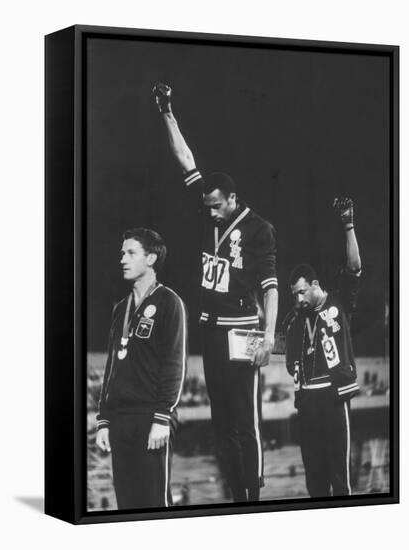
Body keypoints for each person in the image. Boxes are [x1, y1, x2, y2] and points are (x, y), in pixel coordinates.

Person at [153, 83, 278, 502]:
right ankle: (233, 494)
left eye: (216, 206)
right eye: (206, 205)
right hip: (210, 327)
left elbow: (271, 288)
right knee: (221, 418)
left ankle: (253, 495)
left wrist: (271, 337)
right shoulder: (208, 209)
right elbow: (185, 159)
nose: (209, 212)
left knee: (247, 419)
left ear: (233, 200)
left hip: (245, 330)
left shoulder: (260, 230)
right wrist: (166, 112)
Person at [96, 228, 187, 509]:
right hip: (120, 421)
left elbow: (175, 365)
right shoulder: (120, 308)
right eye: (122, 253)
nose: (122, 258)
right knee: (126, 504)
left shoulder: (169, 302)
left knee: (154, 504)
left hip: (152, 418)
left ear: (151, 258)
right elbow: (111, 366)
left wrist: (162, 417)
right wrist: (104, 420)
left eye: (131, 253)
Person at [286, 198, 361, 497]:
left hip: (333, 397)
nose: (299, 299)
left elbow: (354, 267)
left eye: (302, 292)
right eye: (295, 294)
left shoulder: (339, 302)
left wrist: (348, 225)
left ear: (315, 284)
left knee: (339, 480)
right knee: (314, 483)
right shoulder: (295, 319)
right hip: (306, 403)